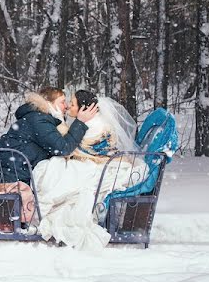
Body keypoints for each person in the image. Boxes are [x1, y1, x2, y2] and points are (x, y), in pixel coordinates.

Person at [31, 89, 146, 250]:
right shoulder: (87, 121)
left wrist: (60, 122)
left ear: (84, 109)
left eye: (72, 104)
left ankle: (44, 210)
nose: (68, 107)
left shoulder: (94, 125)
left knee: (56, 175)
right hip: (91, 162)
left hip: (94, 165)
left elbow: (70, 149)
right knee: (52, 169)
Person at [0, 87, 98, 186]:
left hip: (9, 172)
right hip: (12, 175)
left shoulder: (36, 117)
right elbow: (63, 148)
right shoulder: (38, 120)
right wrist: (80, 122)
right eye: (62, 102)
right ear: (49, 103)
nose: (66, 106)